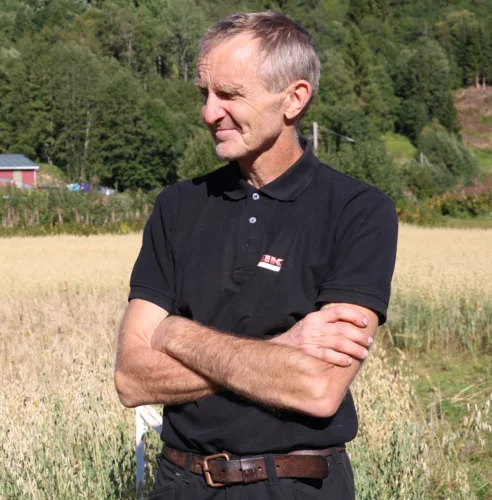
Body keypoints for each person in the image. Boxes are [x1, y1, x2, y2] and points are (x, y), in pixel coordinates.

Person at [114, 11, 398, 500]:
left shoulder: (358, 210)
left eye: (229, 95)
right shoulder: (176, 206)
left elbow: (318, 387)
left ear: (294, 98)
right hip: (179, 483)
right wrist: (285, 346)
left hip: (297, 485)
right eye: (204, 94)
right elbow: (132, 379)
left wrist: (175, 333)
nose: (208, 113)